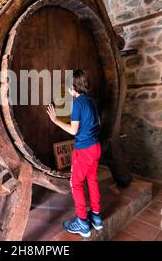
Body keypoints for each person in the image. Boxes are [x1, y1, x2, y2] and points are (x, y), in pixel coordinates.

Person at [46, 69, 103, 238]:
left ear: (74, 86)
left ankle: (82, 222)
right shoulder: (92, 101)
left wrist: (55, 120)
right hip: (95, 148)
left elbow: (73, 130)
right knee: (92, 181)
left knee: (76, 184)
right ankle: (96, 218)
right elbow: (98, 122)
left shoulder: (77, 103)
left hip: (83, 150)